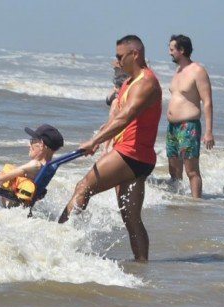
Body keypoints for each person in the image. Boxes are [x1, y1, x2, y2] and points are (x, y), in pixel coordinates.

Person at [59, 35, 162, 262]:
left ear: (134, 54)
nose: (116, 61)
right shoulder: (128, 83)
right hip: (138, 158)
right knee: (132, 218)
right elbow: (114, 119)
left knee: (83, 187)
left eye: (119, 56)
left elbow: (126, 117)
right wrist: (100, 141)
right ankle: (142, 264)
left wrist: (95, 140)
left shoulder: (146, 82)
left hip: (131, 154)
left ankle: (58, 241)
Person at [166, 34, 214, 199]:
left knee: (192, 171)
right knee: (173, 170)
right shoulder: (178, 71)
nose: (169, 52)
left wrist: (209, 132)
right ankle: (177, 201)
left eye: (172, 49)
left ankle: (195, 204)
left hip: (189, 126)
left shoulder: (198, 71)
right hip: (172, 127)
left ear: (182, 50)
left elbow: (207, 102)